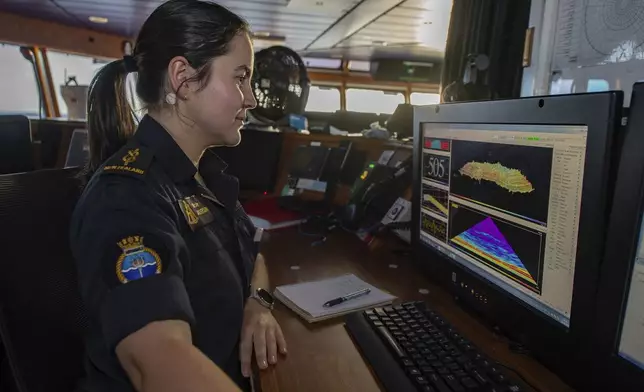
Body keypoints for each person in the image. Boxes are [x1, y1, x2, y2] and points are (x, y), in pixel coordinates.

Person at [69, 1, 286, 391]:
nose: (251, 99)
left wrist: (258, 302)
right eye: (241, 78)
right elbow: (156, 361)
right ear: (183, 79)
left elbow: (253, 256)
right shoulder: (126, 196)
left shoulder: (204, 176)